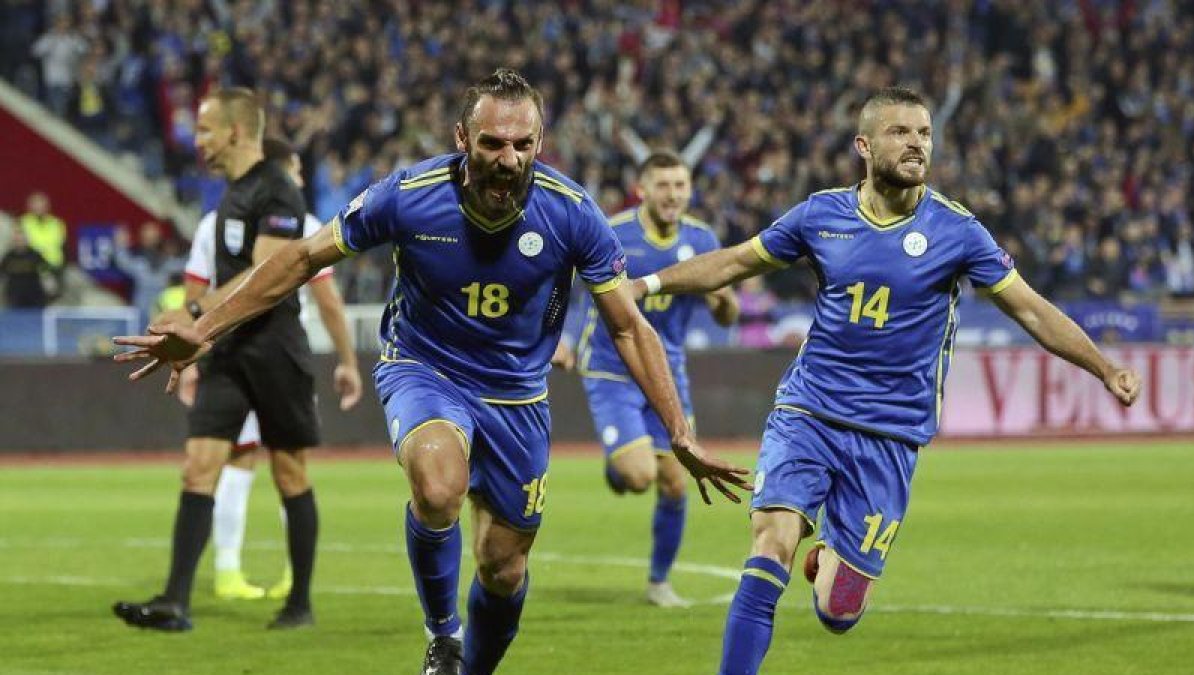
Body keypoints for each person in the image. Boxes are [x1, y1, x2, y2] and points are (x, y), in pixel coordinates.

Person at [114, 69, 749, 674]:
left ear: (540, 143)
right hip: (425, 369)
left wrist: (680, 432)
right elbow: (302, 259)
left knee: (504, 568)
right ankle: (442, 635)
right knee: (440, 485)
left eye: (523, 143)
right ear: (461, 139)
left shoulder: (570, 212)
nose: (508, 158)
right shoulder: (408, 197)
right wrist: (203, 327)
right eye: (493, 142)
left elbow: (628, 327)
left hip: (518, 395)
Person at [623, 87, 1142, 674]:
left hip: (891, 435)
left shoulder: (958, 231)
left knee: (839, 612)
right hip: (809, 412)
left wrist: (1105, 366)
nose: (917, 143)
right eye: (901, 132)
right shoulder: (821, 215)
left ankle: (831, 562)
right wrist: (647, 286)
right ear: (865, 146)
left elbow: (1029, 309)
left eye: (924, 133)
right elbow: (738, 261)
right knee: (770, 545)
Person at [111, 87, 323, 632]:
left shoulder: (278, 192)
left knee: (289, 471)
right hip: (227, 351)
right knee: (199, 466)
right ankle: (173, 602)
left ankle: (299, 603)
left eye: (204, 129)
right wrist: (192, 324)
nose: (196, 139)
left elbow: (267, 277)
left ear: (234, 131)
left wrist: (196, 313)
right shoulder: (230, 196)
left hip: (275, 350)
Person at [177, 136, 363, 601]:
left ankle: (226, 572)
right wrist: (346, 361)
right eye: (296, 170)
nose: (299, 180)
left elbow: (193, 294)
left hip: (224, 353)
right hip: (279, 355)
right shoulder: (305, 222)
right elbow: (327, 302)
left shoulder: (210, 223)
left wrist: (188, 355)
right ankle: (293, 584)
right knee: (290, 467)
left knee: (230, 461)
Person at [555, 150, 738, 607]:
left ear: (690, 190)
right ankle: (621, 467)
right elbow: (570, 293)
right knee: (639, 477)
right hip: (611, 367)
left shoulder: (702, 239)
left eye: (680, 186)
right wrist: (562, 339)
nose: (672, 195)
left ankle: (659, 583)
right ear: (644, 188)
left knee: (677, 483)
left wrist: (720, 302)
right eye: (663, 185)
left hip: (666, 373)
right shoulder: (614, 233)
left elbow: (727, 313)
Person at [0, 226, 52, 308]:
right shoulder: (8, 257)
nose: (20, 242)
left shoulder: (35, 255)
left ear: (26, 240)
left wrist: (47, 280)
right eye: (17, 240)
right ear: (13, 241)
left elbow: (46, 269)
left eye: (22, 240)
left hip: (34, 294)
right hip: (14, 296)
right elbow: (2, 273)